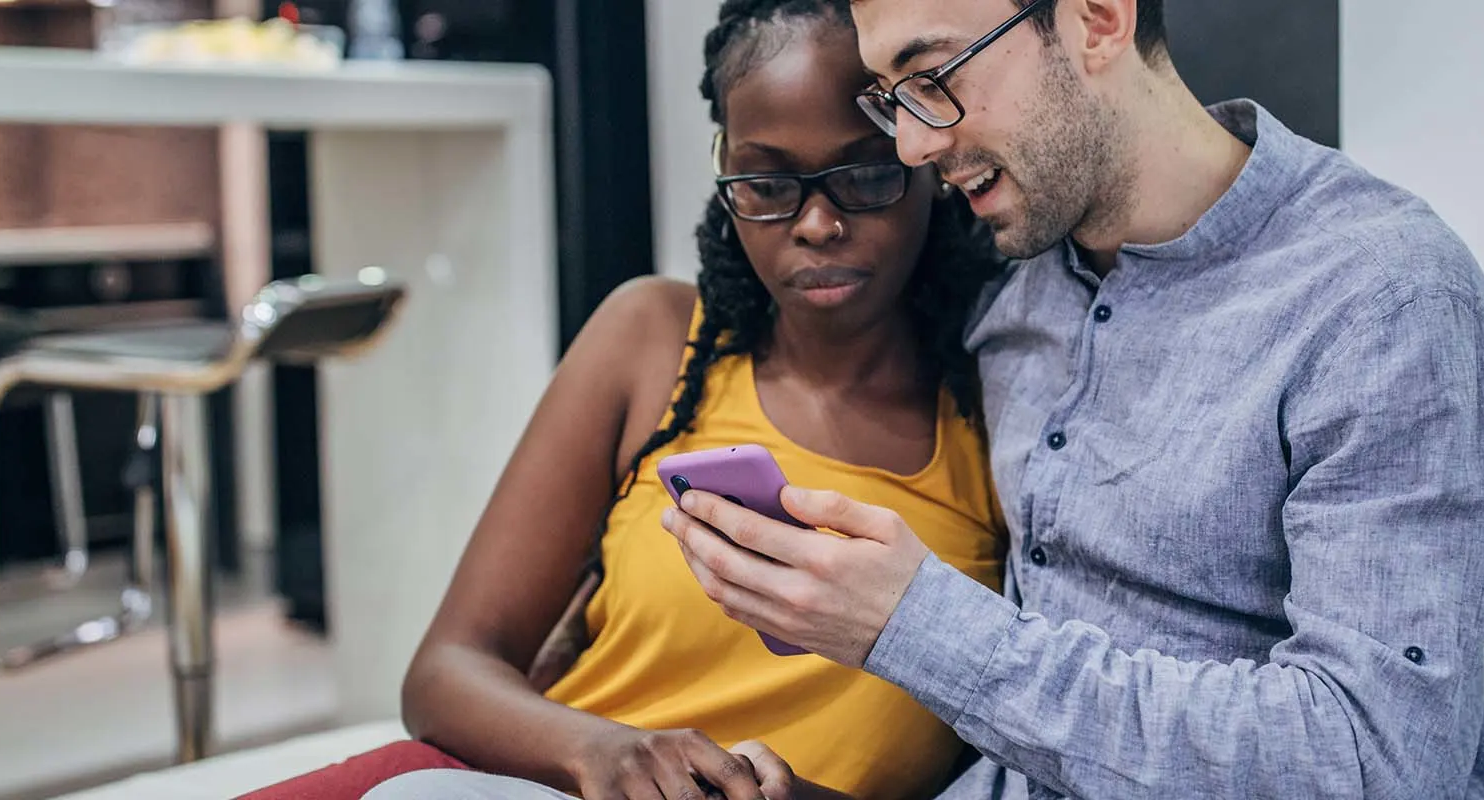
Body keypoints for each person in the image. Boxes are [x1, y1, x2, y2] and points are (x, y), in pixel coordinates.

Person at [661, 0, 1484, 797]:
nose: (913, 147)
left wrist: (917, 624)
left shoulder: (1384, 299)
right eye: (895, 98)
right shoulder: (1018, 284)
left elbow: (1375, 761)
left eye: (932, 77)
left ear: (1100, 19)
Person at [358, 1, 1008, 798]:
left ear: (923, 158)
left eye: (866, 175)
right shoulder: (653, 341)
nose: (816, 224)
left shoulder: (1001, 412)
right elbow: (446, 672)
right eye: (766, 184)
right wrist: (601, 750)